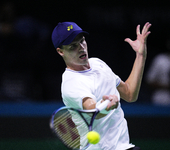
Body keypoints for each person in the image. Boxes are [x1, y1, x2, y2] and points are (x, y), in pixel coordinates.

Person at [51, 22, 151, 150]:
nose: (81, 47)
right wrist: (107, 104)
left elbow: (129, 93)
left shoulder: (98, 64)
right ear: (60, 51)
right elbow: (93, 110)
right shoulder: (71, 83)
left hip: (123, 146)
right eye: (73, 46)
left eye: (82, 41)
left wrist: (140, 55)